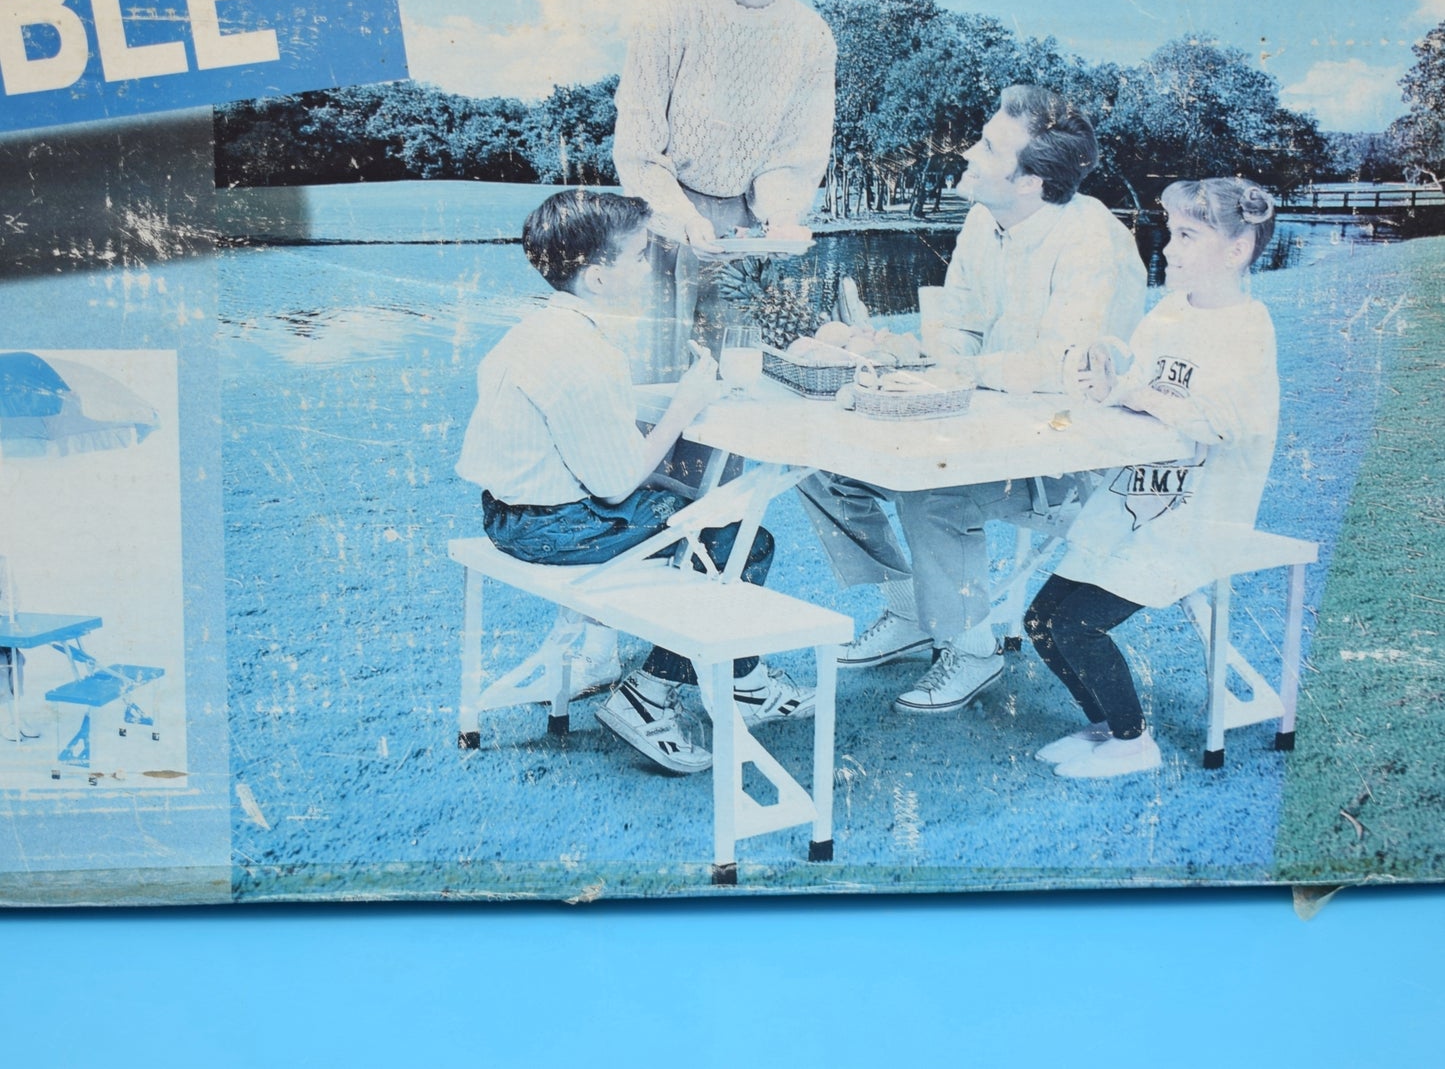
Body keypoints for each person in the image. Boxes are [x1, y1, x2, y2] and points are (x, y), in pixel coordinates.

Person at [799, 85, 1146, 714]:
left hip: (1074, 456)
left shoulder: (1093, 240)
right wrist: (909, 356)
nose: (967, 153)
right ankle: (910, 611)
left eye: (987, 147)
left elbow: (1061, 368)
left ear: (1032, 182)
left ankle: (973, 648)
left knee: (934, 488)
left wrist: (954, 370)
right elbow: (957, 325)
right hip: (989, 425)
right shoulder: (986, 218)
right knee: (821, 464)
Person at [455, 189, 814, 776]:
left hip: (505, 515)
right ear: (598, 278)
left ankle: (744, 681)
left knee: (701, 508)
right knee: (741, 541)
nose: (649, 266)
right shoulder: (584, 354)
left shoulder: (535, 330)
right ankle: (648, 695)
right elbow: (617, 485)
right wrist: (686, 403)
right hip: (553, 528)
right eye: (640, 255)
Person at [1026, 178, 1280, 779]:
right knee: (1039, 622)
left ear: (1237, 249)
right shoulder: (1169, 312)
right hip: (1137, 499)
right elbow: (1135, 384)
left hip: (1202, 511)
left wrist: (1138, 395)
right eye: (1171, 233)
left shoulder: (1248, 327)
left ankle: (1135, 743)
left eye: (1188, 236)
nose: (1170, 248)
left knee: (1077, 625)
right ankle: (1106, 726)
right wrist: (1107, 379)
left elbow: (1220, 422)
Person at [612, 0, 837, 372]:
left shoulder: (811, 37)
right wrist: (685, 220)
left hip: (743, 234)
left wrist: (780, 217)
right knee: (652, 381)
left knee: (732, 381)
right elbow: (638, 149)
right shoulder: (669, 12)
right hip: (655, 223)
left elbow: (794, 155)